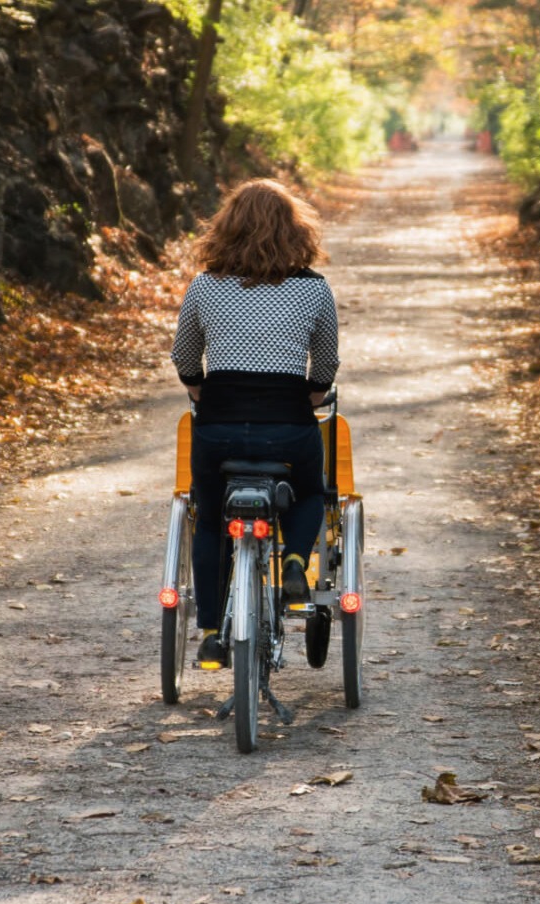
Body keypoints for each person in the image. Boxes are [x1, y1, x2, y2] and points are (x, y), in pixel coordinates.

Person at [171, 179, 339, 671]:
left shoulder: (204, 285)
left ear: (226, 228)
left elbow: (184, 357)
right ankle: (293, 562)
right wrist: (309, 392)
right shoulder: (313, 289)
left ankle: (208, 633)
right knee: (311, 491)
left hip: (218, 427)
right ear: (294, 230)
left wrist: (200, 386)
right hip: (288, 427)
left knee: (208, 514)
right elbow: (325, 366)